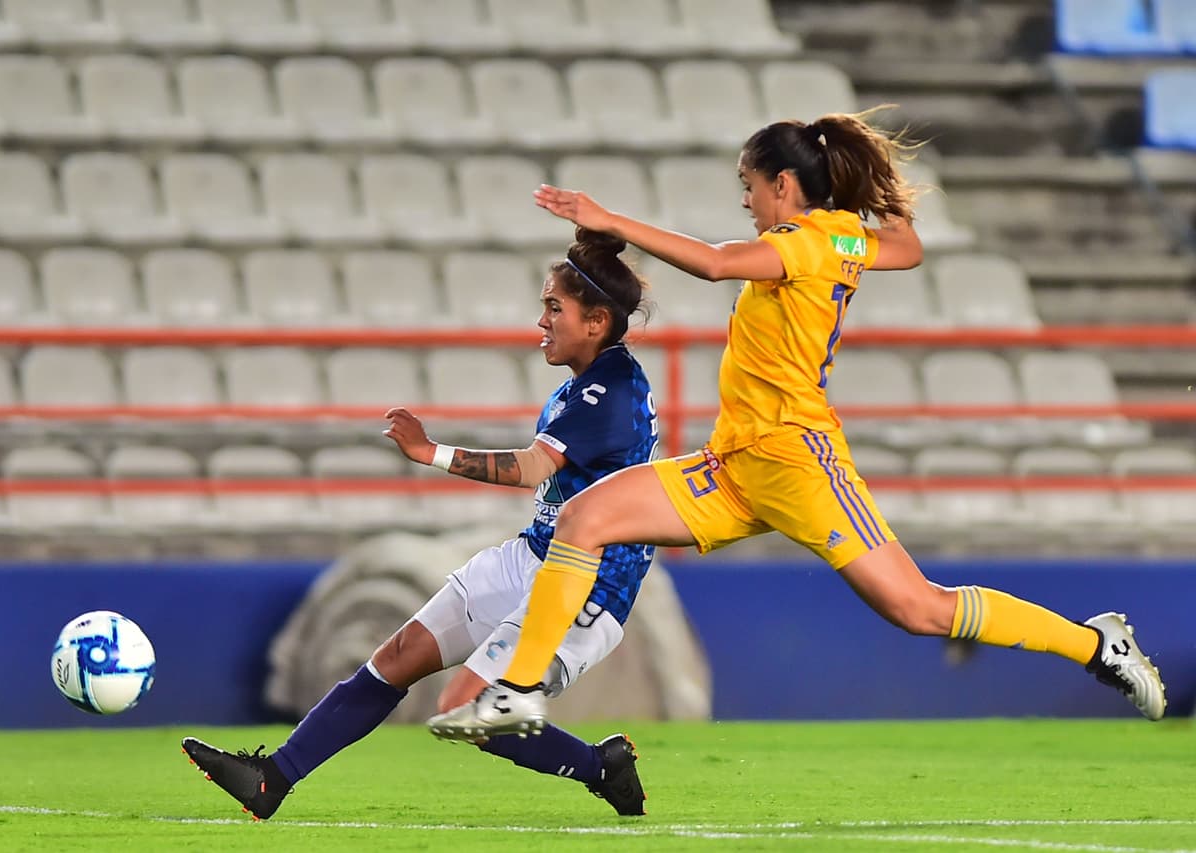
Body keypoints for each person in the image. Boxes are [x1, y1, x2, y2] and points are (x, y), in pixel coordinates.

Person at [426, 109, 1168, 741]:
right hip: (734, 464)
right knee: (583, 518)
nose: (747, 202)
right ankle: (516, 689)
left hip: (796, 461)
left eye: (749, 186)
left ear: (783, 184)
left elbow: (718, 265)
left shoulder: (804, 243)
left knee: (918, 608)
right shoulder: (843, 238)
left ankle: (1094, 642)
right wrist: (879, 194)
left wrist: (608, 218)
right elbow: (904, 247)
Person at [181, 226, 660, 820]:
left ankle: (600, 767)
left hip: (585, 585)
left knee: (466, 711)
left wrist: (430, 452)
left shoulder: (610, 393)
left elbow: (531, 468)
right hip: (535, 557)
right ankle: (271, 780)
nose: (541, 321)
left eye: (553, 307)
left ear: (595, 322)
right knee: (401, 652)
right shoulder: (585, 384)